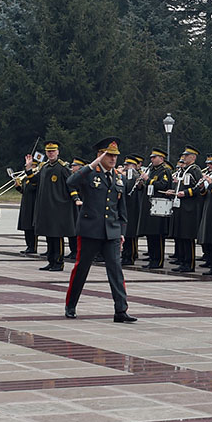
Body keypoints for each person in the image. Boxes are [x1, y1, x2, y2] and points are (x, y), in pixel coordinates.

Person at [63, 137, 137, 323]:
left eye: (115, 156)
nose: (113, 159)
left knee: (116, 270)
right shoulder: (89, 173)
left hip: (111, 231)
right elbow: (71, 182)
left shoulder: (118, 177)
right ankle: (71, 305)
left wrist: (121, 231)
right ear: (100, 155)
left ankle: (121, 310)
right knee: (82, 269)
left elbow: (122, 208)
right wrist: (90, 165)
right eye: (109, 155)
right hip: (90, 229)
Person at [34, 142, 75, 272]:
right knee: (49, 236)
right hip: (46, 207)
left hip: (58, 207)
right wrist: (28, 168)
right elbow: (35, 180)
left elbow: (71, 185)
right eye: (48, 151)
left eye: (53, 151)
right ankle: (51, 261)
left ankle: (58, 262)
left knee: (57, 236)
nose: (51, 154)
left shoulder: (62, 168)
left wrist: (75, 198)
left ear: (58, 152)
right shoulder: (44, 167)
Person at [137, 149, 173, 269]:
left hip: (159, 205)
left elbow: (163, 185)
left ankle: (158, 261)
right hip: (149, 204)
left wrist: (148, 180)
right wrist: (141, 184)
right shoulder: (151, 170)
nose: (151, 159)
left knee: (157, 235)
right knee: (150, 234)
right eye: (151, 157)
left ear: (161, 158)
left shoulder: (165, 171)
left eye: (154, 157)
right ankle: (152, 259)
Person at [170, 146, 204, 273]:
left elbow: (198, 187)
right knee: (181, 235)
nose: (184, 157)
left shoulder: (195, 170)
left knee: (187, 236)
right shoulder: (184, 170)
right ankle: (183, 261)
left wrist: (186, 193)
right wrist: (174, 191)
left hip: (190, 207)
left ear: (193, 157)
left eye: (187, 155)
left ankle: (189, 263)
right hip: (181, 206)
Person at [15, 159, 39, 256]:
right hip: (26, 204)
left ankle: (33, 247)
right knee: (25, 226)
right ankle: (28, 245)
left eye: (32, 166)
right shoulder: (26, 179)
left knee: (31, 227)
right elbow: (25, 191)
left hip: (33, 205)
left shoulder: (35, 179)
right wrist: (18, 187)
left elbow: (34, 188)